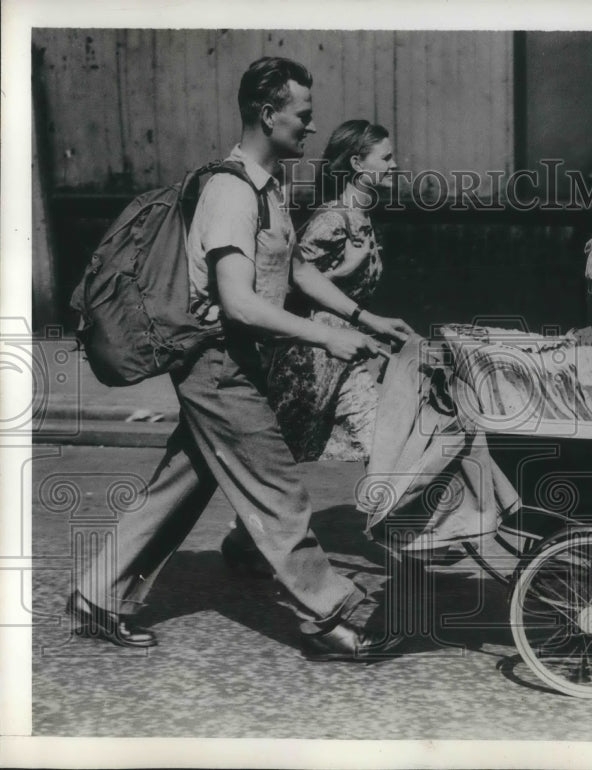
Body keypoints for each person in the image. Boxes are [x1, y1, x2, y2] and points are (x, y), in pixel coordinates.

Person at [67, 57, 399, 661]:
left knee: (181, 484)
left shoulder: (267, 187)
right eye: (302, 113)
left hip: (238, 361)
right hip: (219, 363)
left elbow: (291, 272)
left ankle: (96, 597)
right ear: (268, 114)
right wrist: (322, 337)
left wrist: (362, 318)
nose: (311, 124)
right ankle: (328, 616)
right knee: (278, 489)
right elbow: (239, 303)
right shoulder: (231, 190)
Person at [220, 120, 414, 574]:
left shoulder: (360, 216)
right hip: (305, 364)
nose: (394, 165)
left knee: (382, 438)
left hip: (343, 361)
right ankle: (247, 536)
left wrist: (371, 326)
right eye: (385, 158)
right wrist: (346, 274)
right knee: (277, 456)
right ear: (357, 163)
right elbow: (289, 284)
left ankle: (407, 536)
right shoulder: (332, 220)